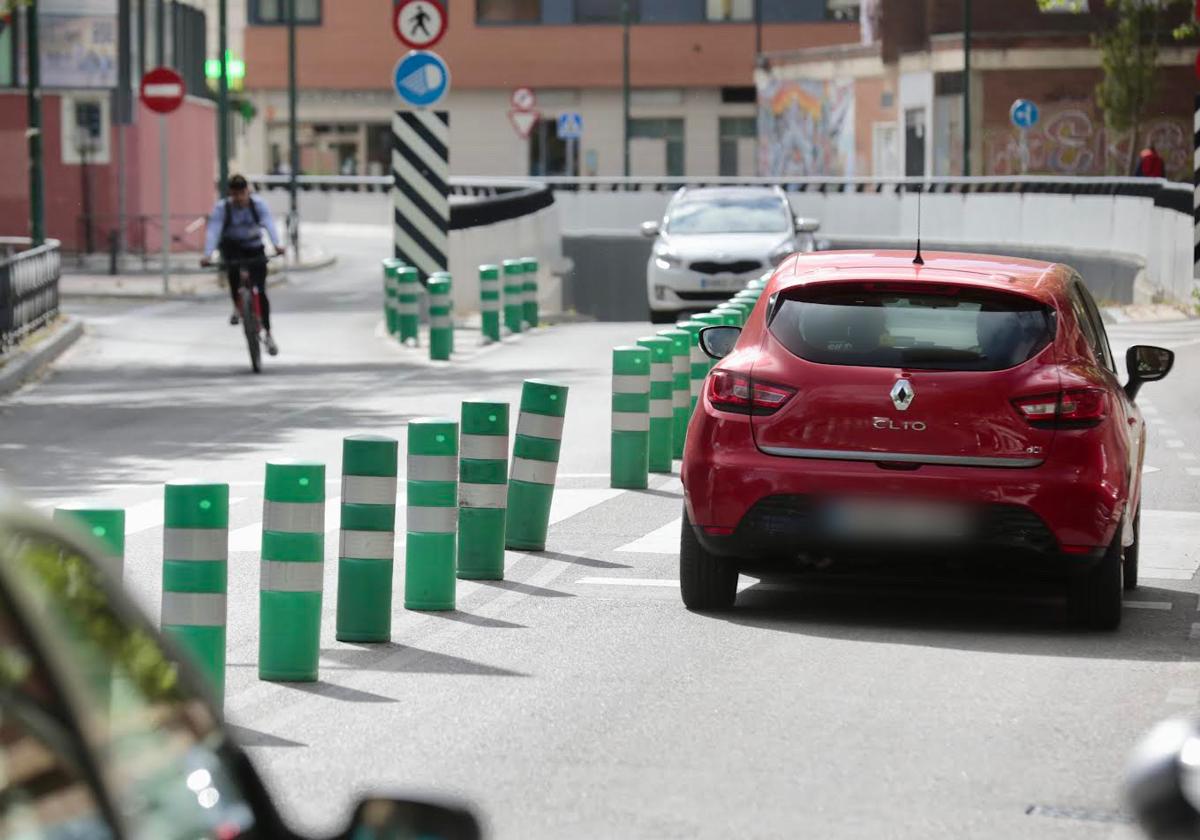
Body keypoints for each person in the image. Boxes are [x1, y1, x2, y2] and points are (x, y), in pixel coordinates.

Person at [202, 175, 283, 355]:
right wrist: (207, 254)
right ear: (231, 194)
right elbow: (214, 230)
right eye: (236, 194)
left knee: (261, 291)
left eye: (243, 193)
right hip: (233, 247)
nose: (239, 198)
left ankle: (268, 334)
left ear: (248, 191)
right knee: (233, 274)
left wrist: (277, 244)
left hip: (254, 247)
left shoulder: (258, 205)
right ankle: (238, 306)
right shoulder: (223, 208)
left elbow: (269, 223)